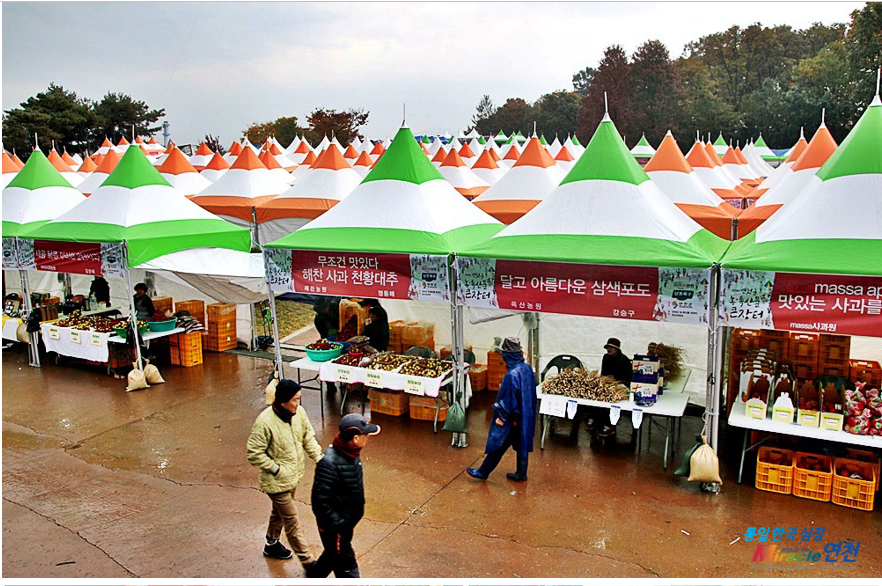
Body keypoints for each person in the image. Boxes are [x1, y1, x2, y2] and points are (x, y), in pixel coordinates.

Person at [246, 380, 324, 574]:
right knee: (291, 520)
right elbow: (254, 453)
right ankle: (309, 564)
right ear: (282, 402)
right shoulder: (264, 422)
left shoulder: (300, 414)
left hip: (292, 477)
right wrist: (275, 469)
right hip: (276, 481)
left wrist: (320, 459)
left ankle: (271, 544)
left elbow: (308, 437)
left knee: (278, 512)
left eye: (299, 398)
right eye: (295, 399)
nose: (298, 403)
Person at [311, 413, 380, 578]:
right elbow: (320, 502)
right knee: (346, 566)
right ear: (355, 438)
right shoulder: (329, 463)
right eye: (365, 435)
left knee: (331, 556)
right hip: (336, 529)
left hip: (345, 526)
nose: (367, 438)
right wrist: (339, 524)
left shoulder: (352, 454)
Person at [466, 336, 536, 483]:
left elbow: (510, 400)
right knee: (522, 443)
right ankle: (521, 473)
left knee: (499, 443)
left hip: (513, 417)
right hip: (526, 414)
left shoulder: (511, 375)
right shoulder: (527, 369)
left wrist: (502, 417)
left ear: (507, 355)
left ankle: (483, 472)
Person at [587, 337, 633, 438]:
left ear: (617, 349)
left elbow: (627, 378)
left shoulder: (623, 360)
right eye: (608, 347)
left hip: (621, 385)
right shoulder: (606, 357)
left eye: (611, 348)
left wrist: (614, 381)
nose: (609, 350)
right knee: (595, 393)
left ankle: (609, 425)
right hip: (608, 383)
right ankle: (594, 419)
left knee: (610, 398)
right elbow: (604, 373)